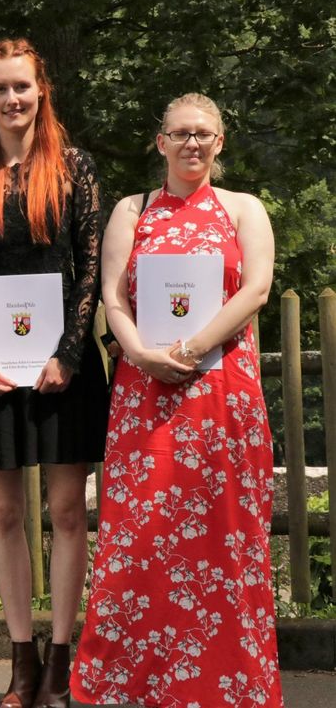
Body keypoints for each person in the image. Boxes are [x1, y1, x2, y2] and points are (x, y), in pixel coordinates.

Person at [72, 93, 283, 707]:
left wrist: (188, 349)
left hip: (221, 395)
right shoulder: (130, 211)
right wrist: (136, 352)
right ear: (159, 141)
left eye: (204, 134)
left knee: (226, 538)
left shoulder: (244, 208)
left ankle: (228, 685)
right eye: (180, 133)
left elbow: (257, 288)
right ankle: (133, 685)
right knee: (138, 541)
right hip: (145, 394)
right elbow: (113, 297)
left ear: (220, 143)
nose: (192, 143)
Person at [0, 38, 107, 708]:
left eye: (22, 88)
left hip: (62, 368)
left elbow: (92, 269)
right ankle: (21, 662)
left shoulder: (75, 167)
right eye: (0, 88)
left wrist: (68, 355)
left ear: (42, 93)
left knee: (67, 512)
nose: (12, 99)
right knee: (4, 513)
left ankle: (62, 661)